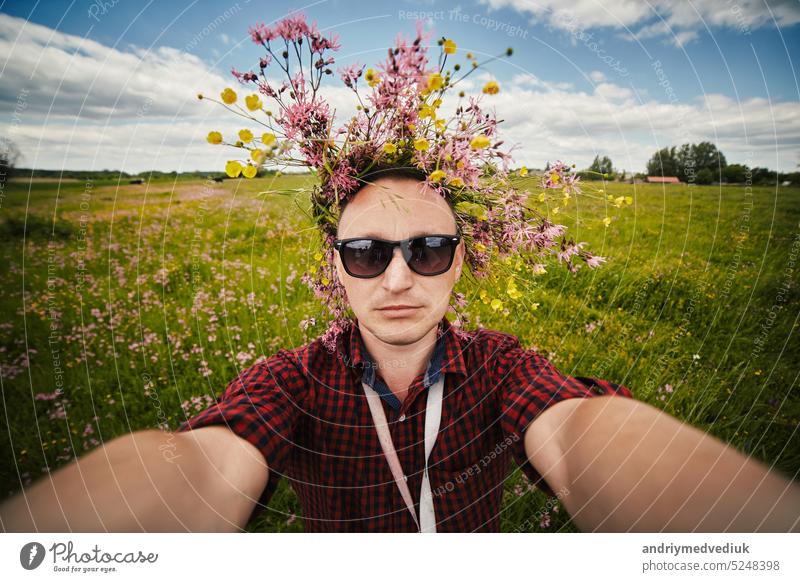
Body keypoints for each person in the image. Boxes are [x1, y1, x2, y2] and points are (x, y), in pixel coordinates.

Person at [2, 167, 799, 533]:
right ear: (333, 270)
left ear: (462, 259)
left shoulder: (500, 366)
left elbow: (581, 428)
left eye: (425, 250)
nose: (395, 279)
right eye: (364, 254)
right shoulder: (293, 380)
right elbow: (204, 463)